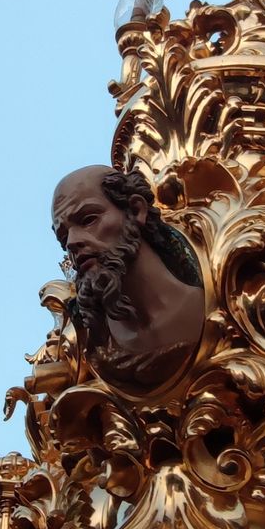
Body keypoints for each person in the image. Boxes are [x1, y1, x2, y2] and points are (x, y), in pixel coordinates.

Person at [50, 166, 204, 389]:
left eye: (88, 220)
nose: (72, 242)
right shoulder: (95, 348)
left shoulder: (211, 303)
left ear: (136, 210)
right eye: (63, 237)